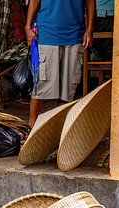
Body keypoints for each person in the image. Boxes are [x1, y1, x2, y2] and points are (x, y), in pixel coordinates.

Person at [25, 0, 95, 128]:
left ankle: (57, 129)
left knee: (67, 90)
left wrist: (90, 29)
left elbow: (90, 1)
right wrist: (28, 27)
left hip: (75, 34)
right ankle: (31, 126)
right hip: (48, 32)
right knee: (42, 85)